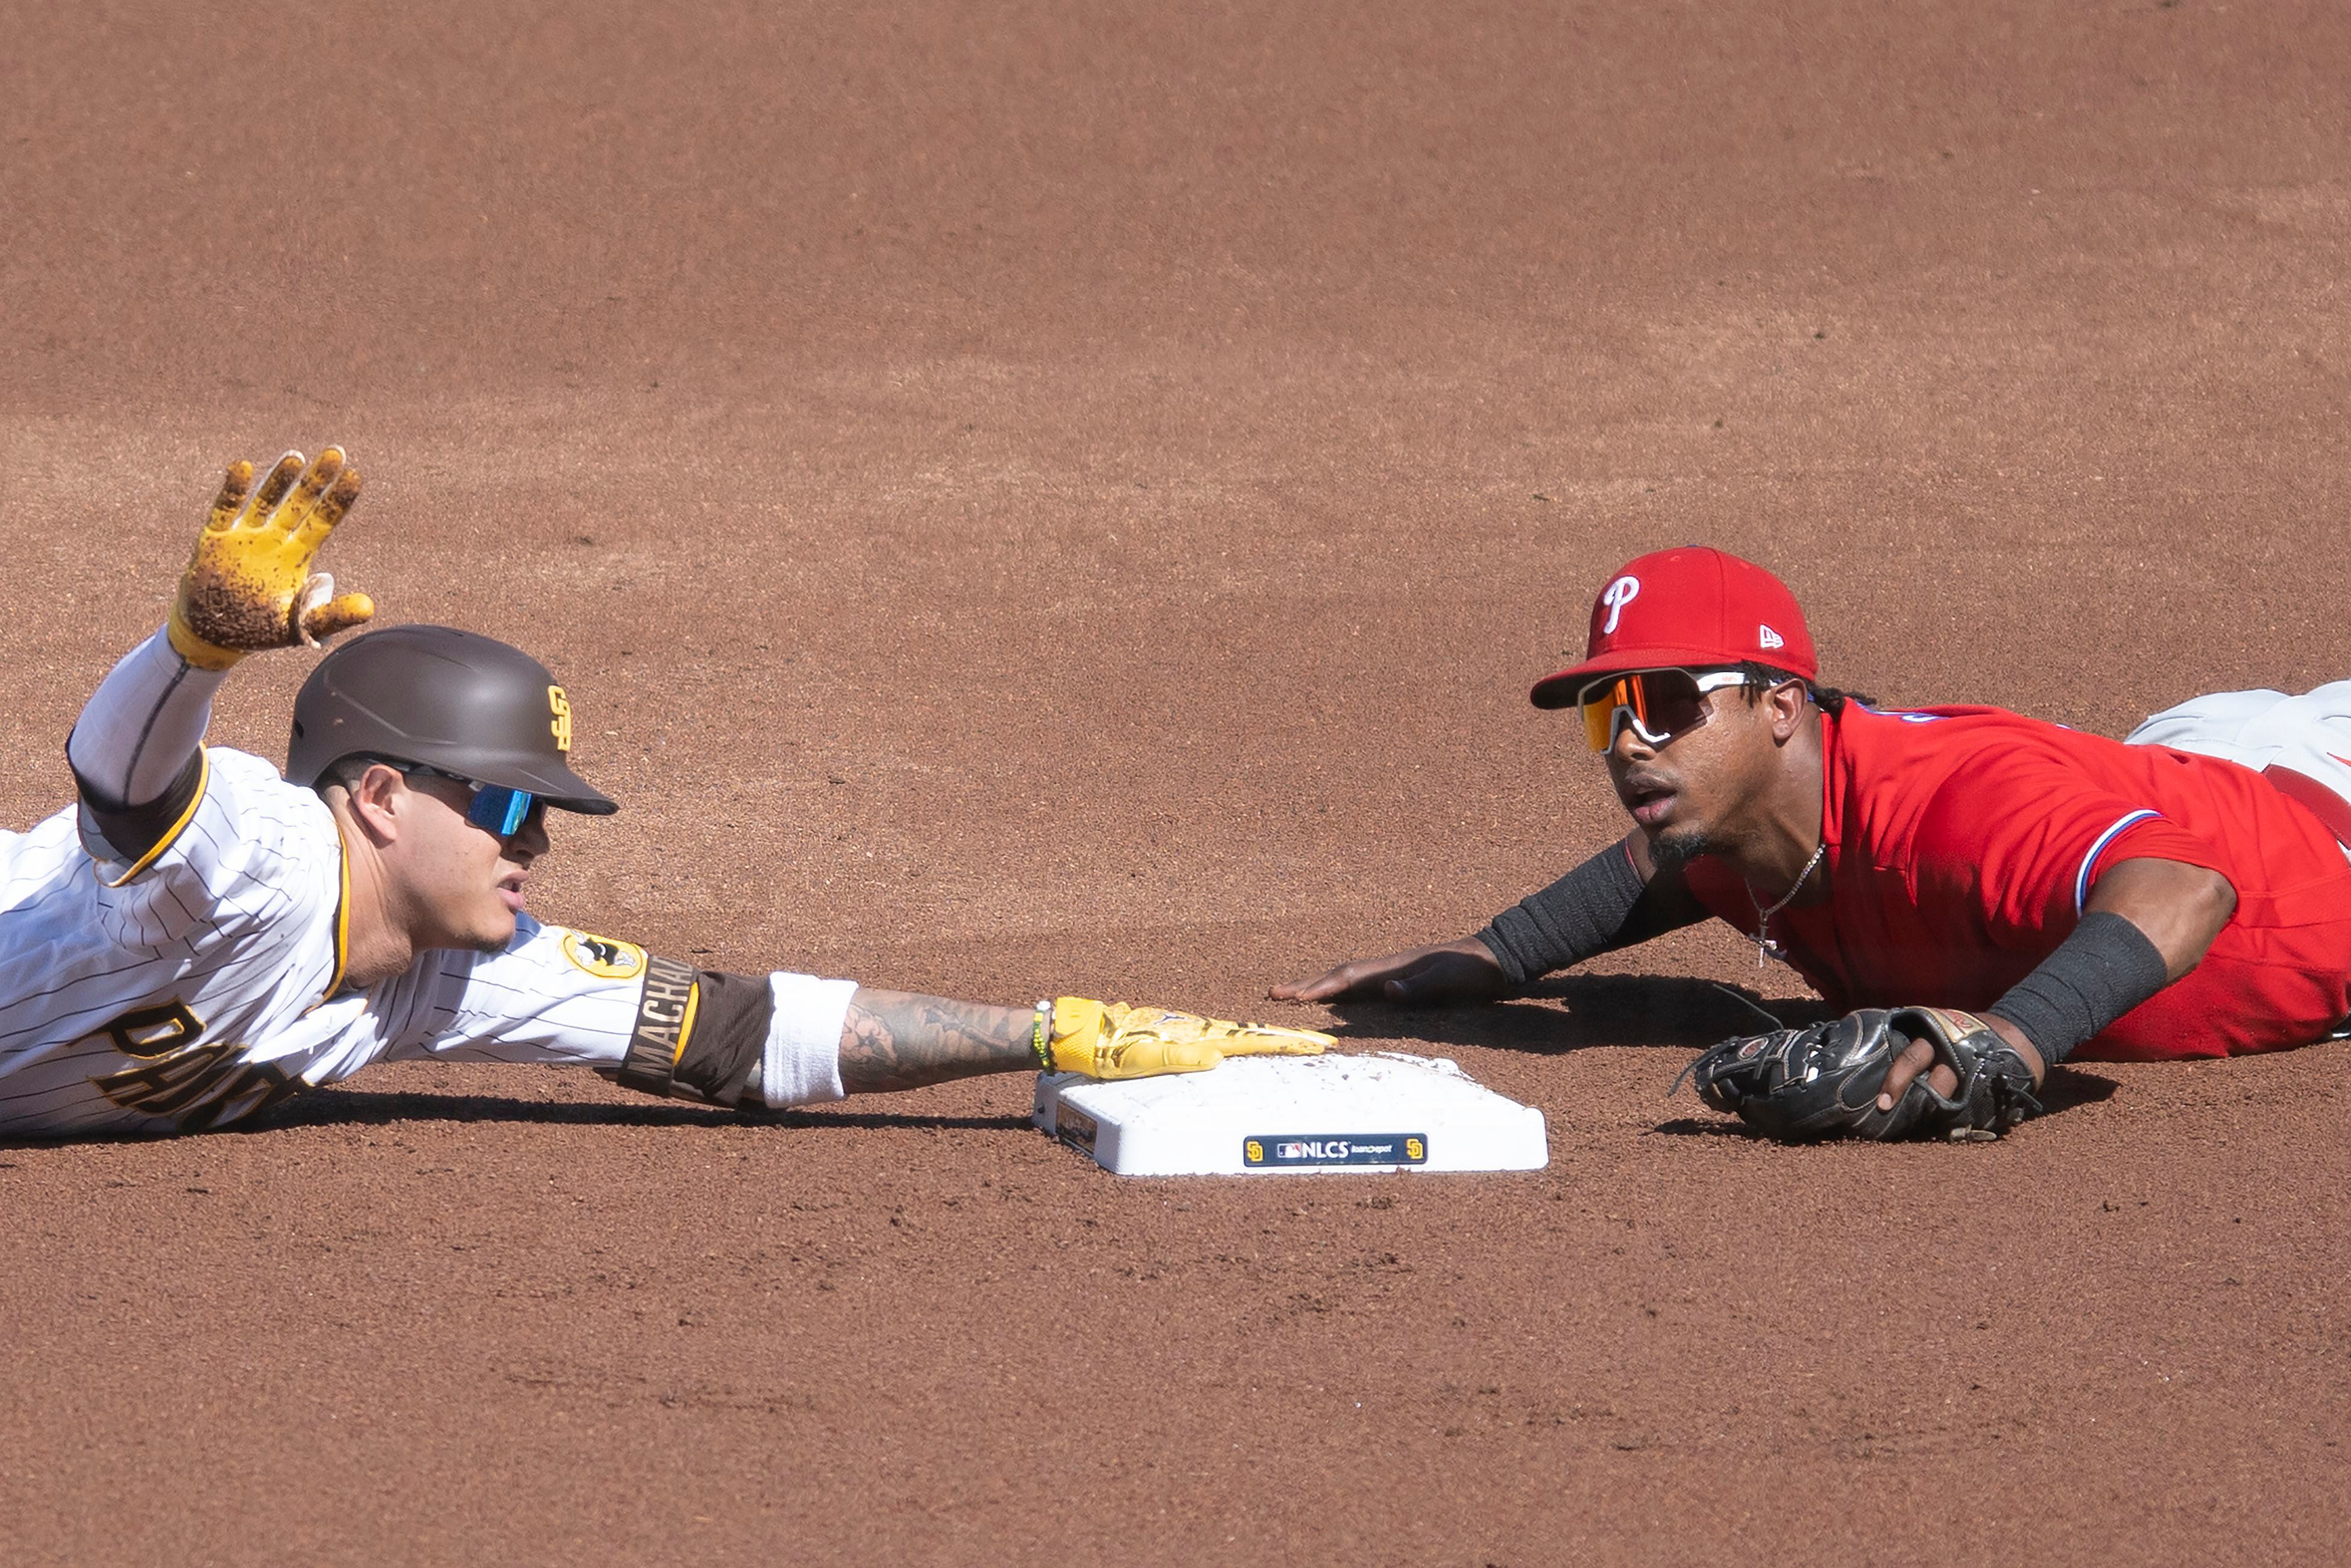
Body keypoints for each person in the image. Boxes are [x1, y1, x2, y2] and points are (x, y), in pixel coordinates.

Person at [0, 447, 1327, 1139]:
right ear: (385, 797)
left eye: (545, 818)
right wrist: (192, 652)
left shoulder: (457, 969)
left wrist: (1052, 1034)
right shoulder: (269, 856)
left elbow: (735, 1034)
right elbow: (125, 784)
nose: (534, 846)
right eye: (509, 808)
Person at [1274, 545, 2351, 1141]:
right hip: (2192, 762)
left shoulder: (1956, 813)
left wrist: (2010, 1044)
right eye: (1607, 712)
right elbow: (1665, 867)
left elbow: (2187, 890)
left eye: (1662, 699)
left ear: (1781, 705)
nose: (1630, 744)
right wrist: (1498, 951)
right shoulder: (1747, 821)